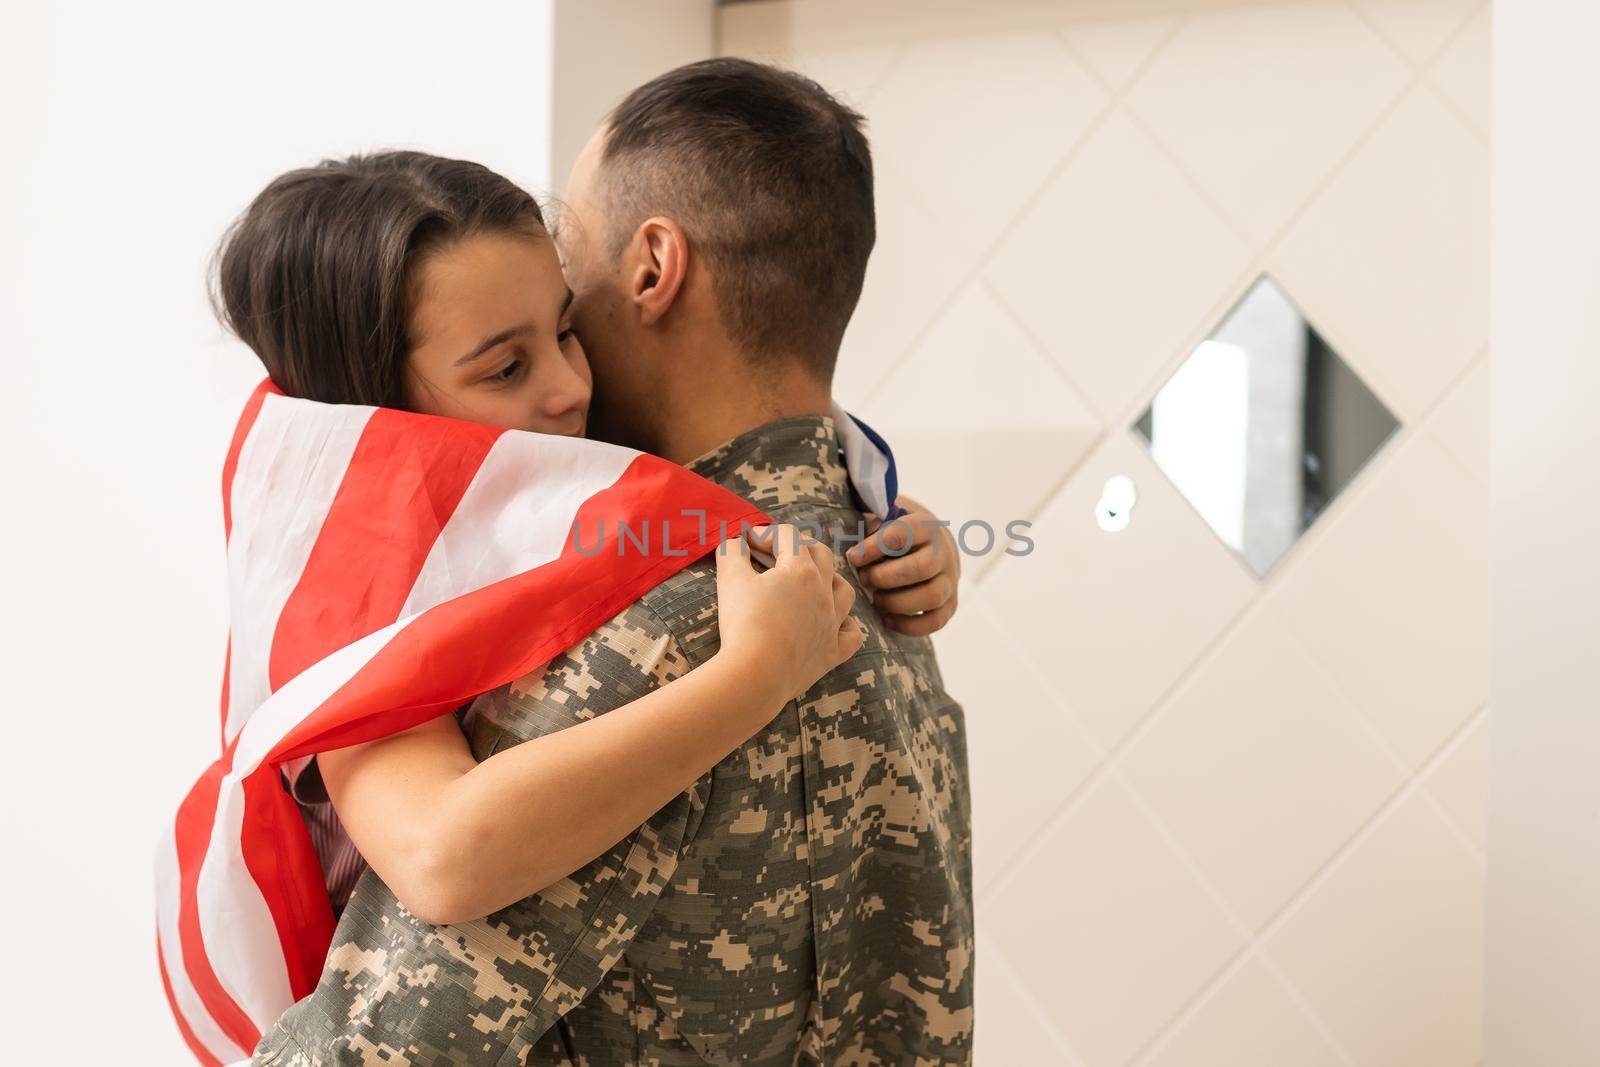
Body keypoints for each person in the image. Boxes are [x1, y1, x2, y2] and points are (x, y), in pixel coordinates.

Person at [252, 58, 973, 1066]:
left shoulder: (668, 620)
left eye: (568, 273)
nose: (562, 378)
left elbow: (373, 1049)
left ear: (651, 268)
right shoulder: (858, 559)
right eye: (505, 362)